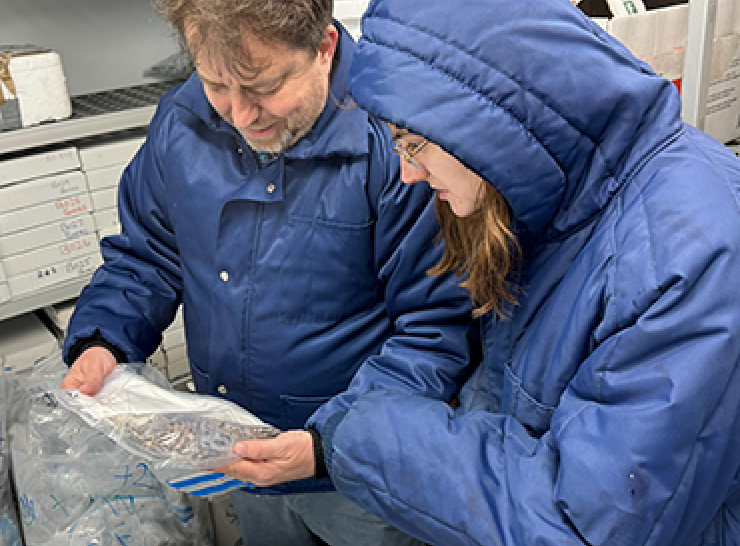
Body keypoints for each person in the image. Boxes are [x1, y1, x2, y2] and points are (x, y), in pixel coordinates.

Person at [311, 0, 740, 545]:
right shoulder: (554, 209)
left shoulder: (691, 259)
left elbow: (588, 525)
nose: (407, 172)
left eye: (413, 143)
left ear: (491, 125)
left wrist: (359, 438)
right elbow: (508, 391)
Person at [59, 1, 477, 545]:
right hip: (240, 462)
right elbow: (147, 257)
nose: (239, 114)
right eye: (215, 84)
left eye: (263, 86)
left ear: (324, 47)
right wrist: (101, 341)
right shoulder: (181, 122)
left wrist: (332, 444)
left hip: (362, 474)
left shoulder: (396, 144)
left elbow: (435, 327)